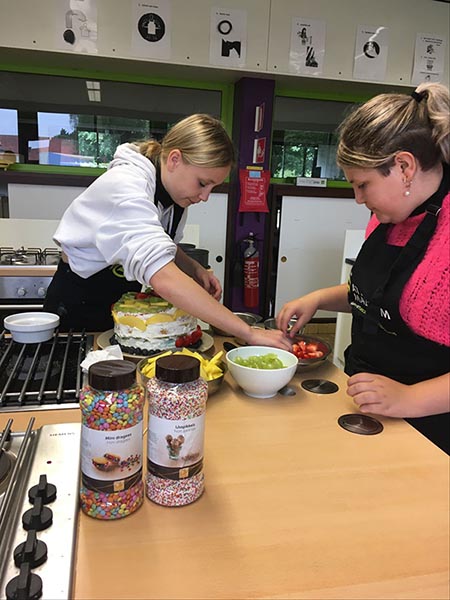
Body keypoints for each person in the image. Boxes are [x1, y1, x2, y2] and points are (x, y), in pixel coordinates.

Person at [277, 83, 450, 453]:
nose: (358, 199)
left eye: (363, 185)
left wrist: (410, 398)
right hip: (367, 405)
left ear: (404, 166)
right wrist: (319, 298)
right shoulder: (389, 217)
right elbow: (389, 296)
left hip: (431, 431)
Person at [44, 113, 292, 350]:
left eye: (213, 187)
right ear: (174, 159)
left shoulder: (174, 196)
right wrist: (248, 332)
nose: (205, 197)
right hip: (77, 308)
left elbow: (162, 245)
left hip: (119, 311)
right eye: (203, 183)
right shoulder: (125, 187)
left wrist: (194, 268)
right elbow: (163, 278)